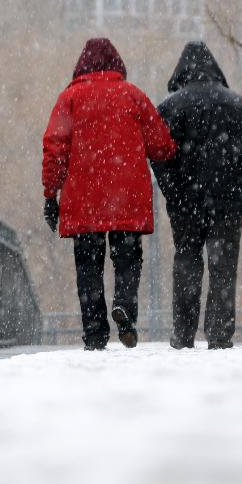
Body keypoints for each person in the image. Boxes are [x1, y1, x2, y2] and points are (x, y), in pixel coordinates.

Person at [42, 38, 176, 350]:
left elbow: (54, 147)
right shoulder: (132, 95)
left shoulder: (70, 98)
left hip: (83, 198)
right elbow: (161, 144)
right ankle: (125, 306)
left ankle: (94, 333)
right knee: (128, 258)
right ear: (117, 65)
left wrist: (50, 193)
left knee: (88, 266)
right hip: (127, 194)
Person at [151, 41, 242, 350]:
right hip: (227, 199)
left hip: (186, 202)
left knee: (187, 260)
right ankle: (219, 334)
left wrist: (173, 194)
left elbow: (160, 158)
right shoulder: (238, 105)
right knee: (223, 265)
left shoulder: (170, 107)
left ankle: (183, 333)